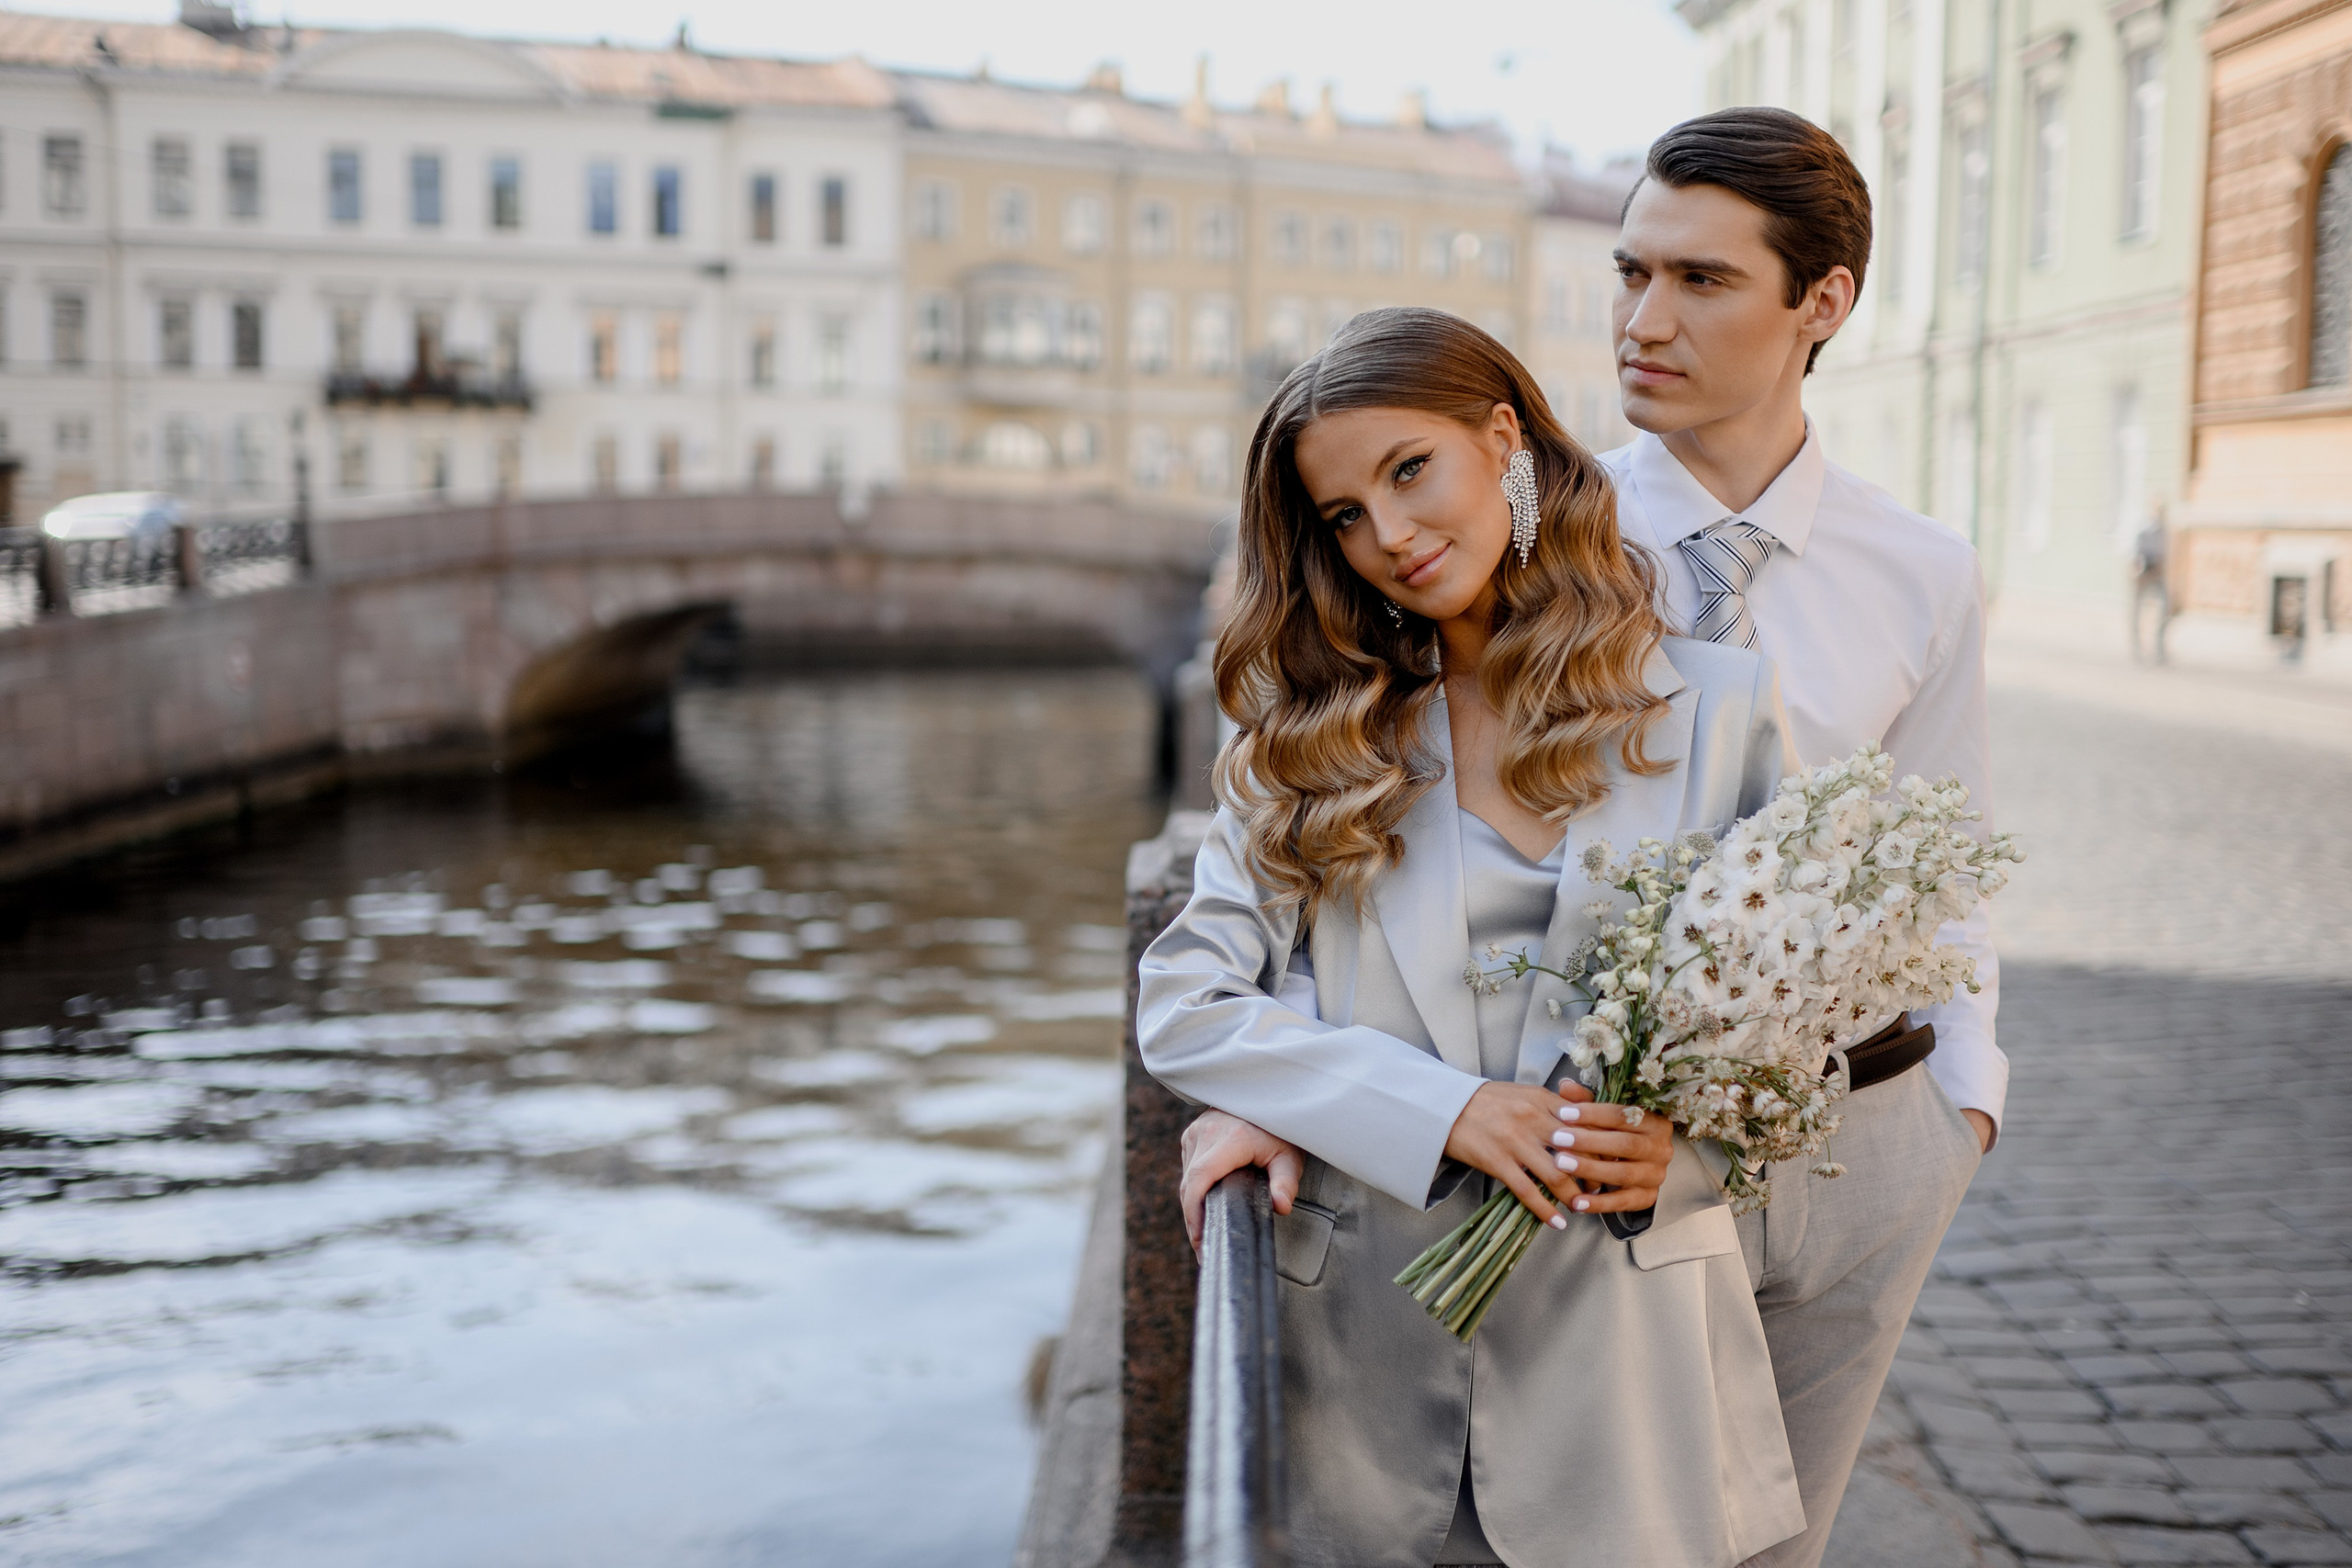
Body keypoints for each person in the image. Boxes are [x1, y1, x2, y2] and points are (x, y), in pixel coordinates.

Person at [1175, 107, 2000, 1568]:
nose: (1643, 317)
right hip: (1378, 1344)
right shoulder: (1328, 714)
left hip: (1744, 1222)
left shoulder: (1777, 657)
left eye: (1696, 280)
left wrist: (1960, 1104)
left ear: (1822, 304)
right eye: (1629, 272)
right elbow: (1221, 977)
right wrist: (1311, 1087)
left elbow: (1920, 877)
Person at [1137, 305, 1807, 1568]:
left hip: (1627, 1384)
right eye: (1342, 514)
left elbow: (1800, 1027)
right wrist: (1430, 1107)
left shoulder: (1720, 710)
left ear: (1500, 438)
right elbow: (1188, 999)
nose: (1388, 536)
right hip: (1366, 1389)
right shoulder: (1307, 736)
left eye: (1409, 472)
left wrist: (1684, 1146)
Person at [2131, 506, 2171, 663]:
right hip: (2142, 574)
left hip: (2158, 574)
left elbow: (2165, 557)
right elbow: (2135, 557)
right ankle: (2137, 648)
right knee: (2136, 612)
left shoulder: (2165, 532)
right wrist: (2138, 574)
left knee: (2164, 610)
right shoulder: (2143, 530)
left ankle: (2159, 649)